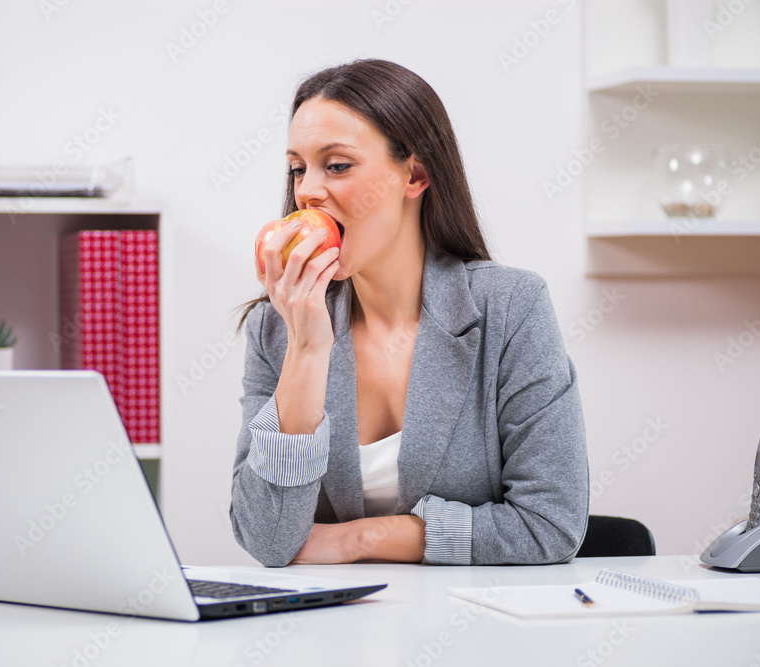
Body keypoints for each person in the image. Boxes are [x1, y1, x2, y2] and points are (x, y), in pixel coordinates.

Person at [230, 59, 588, 567]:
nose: (306, 190)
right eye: (297, 168)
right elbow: (267, 539)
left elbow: (550, 524)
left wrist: (361, 539)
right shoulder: (277, 327)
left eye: (336, 165)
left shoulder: (510, 309)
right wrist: (307, 352)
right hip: (329, 637)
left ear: (414, 175)